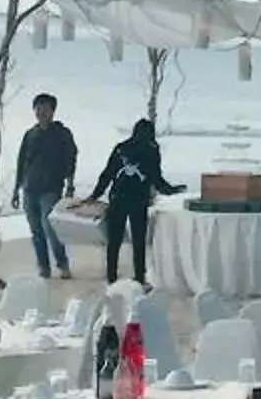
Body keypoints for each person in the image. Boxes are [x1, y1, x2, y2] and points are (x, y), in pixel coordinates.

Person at [87, 117, 180, 288]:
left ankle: (112, 277)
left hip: (118, 198)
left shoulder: (121, 148)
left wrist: (95, 195)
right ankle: (139, 277)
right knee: (138, 241)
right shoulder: (151, 150)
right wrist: (170, 190)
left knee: (114, 241)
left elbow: (107, 173)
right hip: (138, 200)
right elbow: (156, 177)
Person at [11, 92, 79, 280]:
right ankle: (43, 267)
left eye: (45, 109)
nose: (41, 112)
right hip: (29, 188)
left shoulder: (62, 133)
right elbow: (21, 162)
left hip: (51, 189)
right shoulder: (30, 135)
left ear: (52, 111)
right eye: (38, 109)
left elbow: (71, 159)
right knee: (36, 231)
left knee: (50, 228)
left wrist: (70, 185)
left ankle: (62, 264)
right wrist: (16, 189)